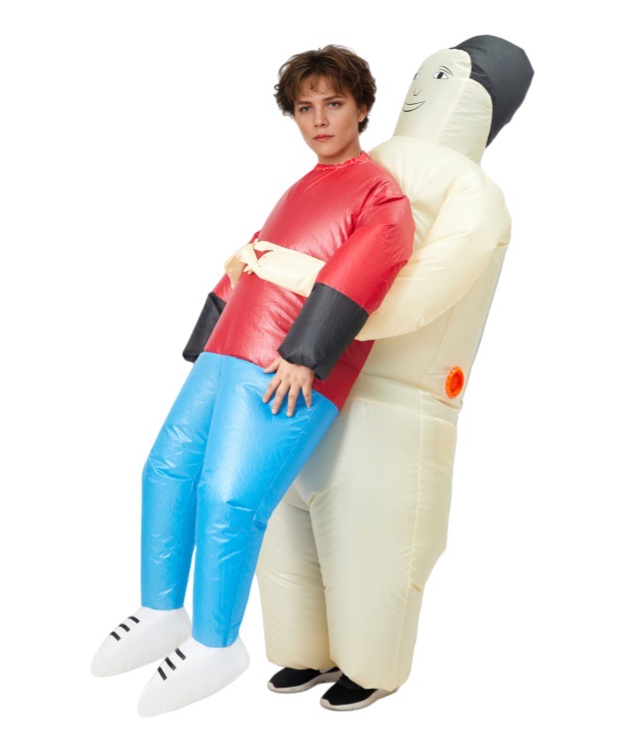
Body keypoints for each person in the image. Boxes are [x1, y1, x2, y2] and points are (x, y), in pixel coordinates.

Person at [89, 44, 414, 717]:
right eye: (305, 107)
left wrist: (307, 353)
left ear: (362, 109)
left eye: (334, 104)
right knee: (166, 471)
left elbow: (364, 265)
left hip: (283, 363)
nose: (318, 119)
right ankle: (161, 611)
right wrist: (208, 334)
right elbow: (253, 258)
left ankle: (216, 643)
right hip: (229, 351)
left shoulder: (379, 192)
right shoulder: (301, 187)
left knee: (229, 496)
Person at [256, 35, 534, 711]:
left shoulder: (455, 191)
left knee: (353, 533)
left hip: (359, 384)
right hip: (318, 379)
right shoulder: (377, 172)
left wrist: (295, 297)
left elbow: (407, 298)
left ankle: (355, 662)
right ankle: (318, 655)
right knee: (324, 529)